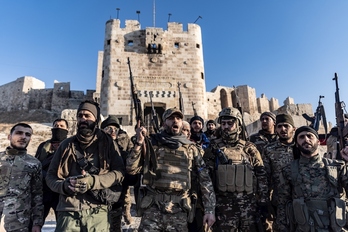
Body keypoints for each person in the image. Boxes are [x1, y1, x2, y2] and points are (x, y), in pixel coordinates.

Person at [127, 107, 216, 232]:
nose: (175, 121)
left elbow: (205, 180)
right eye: (171, 118)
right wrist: (139, 144)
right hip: (153, 209)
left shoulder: (191, 149)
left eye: (178, 118)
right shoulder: (152, 144)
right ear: (164, 123)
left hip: (179, 210)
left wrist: (209, 210)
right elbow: (131, 169)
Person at [46, 100, 125, 231]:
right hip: (68, 212)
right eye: (80, 116)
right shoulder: (66, 145)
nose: (83, 119)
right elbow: (50, 177)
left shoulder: (107, 144)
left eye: (87, 116)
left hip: (97, 212)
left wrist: (93, 181)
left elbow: (119, 173)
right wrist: (64, 186)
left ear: (96, 120)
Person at [203, 107, 268, 231]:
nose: (226, 126)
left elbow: (261, 174)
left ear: (238, 124)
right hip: (223, 206)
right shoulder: (213, 147)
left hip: (248, 205)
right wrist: (209, 207)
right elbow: (206, 179)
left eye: (230, 123)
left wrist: (263, 201)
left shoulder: (249, 148)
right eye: (223, 123)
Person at [277, 126, 348, 232]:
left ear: (318, 142)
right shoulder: (288, 170)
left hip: (335, 227)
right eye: (301, 137)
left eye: (310, 136)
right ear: (296, 144)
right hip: (304, 227)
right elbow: (283, 203)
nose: (306, 139)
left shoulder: (337, 166)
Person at [0, 123, 44, 232]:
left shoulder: (34, 164)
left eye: (27, 134)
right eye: (19, 133)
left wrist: (37, 224)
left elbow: (37, 196)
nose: (23, 137)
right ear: (9, 136)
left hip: (19, 224)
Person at [261, 113, 296, 231]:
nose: (283, 129)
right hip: (281, 202)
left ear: (293, 129)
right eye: (280, 126)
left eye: (286, 126)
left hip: (302, 199)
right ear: (275, 129)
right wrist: (264, 200)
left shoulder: (301, 147)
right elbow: (265, 177)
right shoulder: (269, 150)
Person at [101, 115, 135, 231]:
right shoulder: (97, 146)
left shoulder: (122, 147)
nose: (112, 131)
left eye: (115, 129)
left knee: (115, 225)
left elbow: (132, 162)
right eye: (109, 129)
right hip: (99, 194)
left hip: (117, 191)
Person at [34, 118, 69, 221]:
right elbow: (37, 163)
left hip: (60, 191)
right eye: (56, 126)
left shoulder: (70, 145)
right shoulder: (44, 146)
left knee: (62, 224)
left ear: (67, 129)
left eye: (61, 126)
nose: (58, 127)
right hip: (44, 190)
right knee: (36, 223)